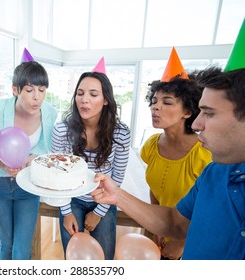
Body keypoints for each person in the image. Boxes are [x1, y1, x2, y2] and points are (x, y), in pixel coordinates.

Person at [90, 66, 245, 260]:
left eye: (210, 113)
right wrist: (117, 196)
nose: (198, 124)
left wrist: (180, 244)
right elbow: (175, 222)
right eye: (154, 101)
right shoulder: (214, 172)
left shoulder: (205, 157)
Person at [51, 71, 131, 260]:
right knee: (72, 258)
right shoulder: (61, 130)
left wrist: (99, 212)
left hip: (103, 199)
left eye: (93, 94)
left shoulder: (121, 133)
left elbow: (117, 176)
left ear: (105, 100)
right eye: (80, 93)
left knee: (105, 258)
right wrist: (67, 212)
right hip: (71, 200)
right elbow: (57, 176)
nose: (84, 100)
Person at [0, 60, 58, 260]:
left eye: (42, 90)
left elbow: (49, 151)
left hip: (28, 186)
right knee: (6, 244)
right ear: (15, 90)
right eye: (29, 90)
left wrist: (34, 159)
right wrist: (2, 163)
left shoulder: (50, 113)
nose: (37, 97)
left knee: (22, 248)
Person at [141, 74, 212, 259]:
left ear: (187, 112)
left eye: (167, 102)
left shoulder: (205, 153)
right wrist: (155, 225)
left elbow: (208, 208)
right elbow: (155, 190)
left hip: (192, 238)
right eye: (154, 101)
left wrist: (181, 242)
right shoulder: (151, 145)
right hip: (158, 233)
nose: (155, 107)